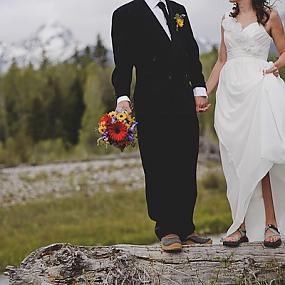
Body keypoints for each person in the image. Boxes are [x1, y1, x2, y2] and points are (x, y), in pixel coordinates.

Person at [111, 0, 212, 252]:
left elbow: (191, 52)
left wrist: (199, 88)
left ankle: (186, 228)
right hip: (151, 101)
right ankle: (166, 229)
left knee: (186, 160)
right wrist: (122, 97)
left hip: (182, 98)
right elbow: (122, 62)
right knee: (158, 163)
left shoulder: (178, 10)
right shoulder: (125, 14)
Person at [207, 0, 285, 248]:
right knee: (235, 160)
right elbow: (221, 60)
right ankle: (239, 225)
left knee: (261, 157)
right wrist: (204, 92)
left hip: (259, 88)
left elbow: (284, 52)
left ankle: (271, 223)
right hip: (231, 95)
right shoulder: (226, 20)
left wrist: (274, 66)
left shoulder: (270, 16)